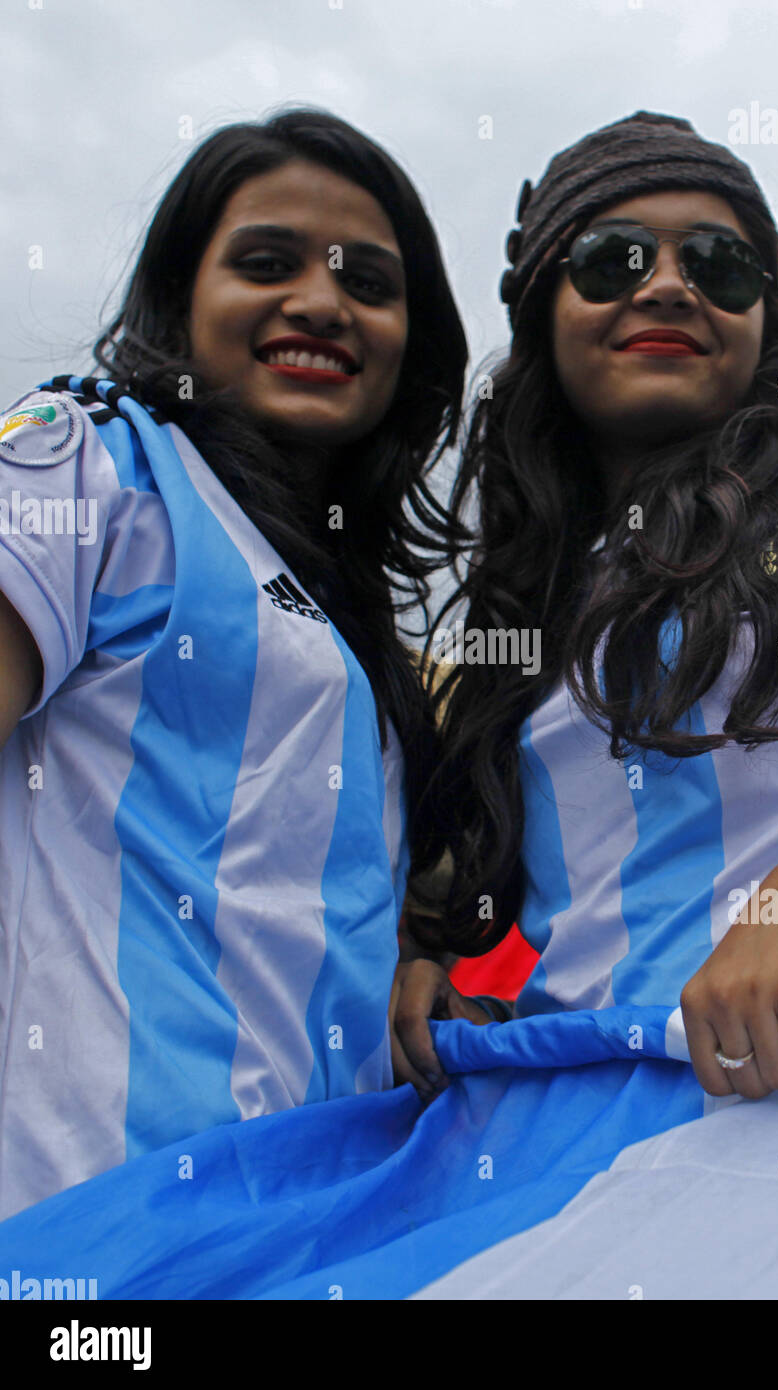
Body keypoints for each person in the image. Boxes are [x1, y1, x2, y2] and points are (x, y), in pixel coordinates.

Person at [394, 110, 778, 1107]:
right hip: (561, 1151)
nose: (668, 284)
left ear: (764, 318)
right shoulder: (517, 603)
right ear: (543, 314)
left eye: (721, 263)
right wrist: (423, 966)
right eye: (612, 258)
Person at [0, 106, 466, 1218]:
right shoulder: (92, 459)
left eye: (368, 281)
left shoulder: (356, 630)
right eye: (266, 263)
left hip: (327, 1227)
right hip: (97, 1235)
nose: (320, 301)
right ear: (182, 298)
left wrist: (412, 970)